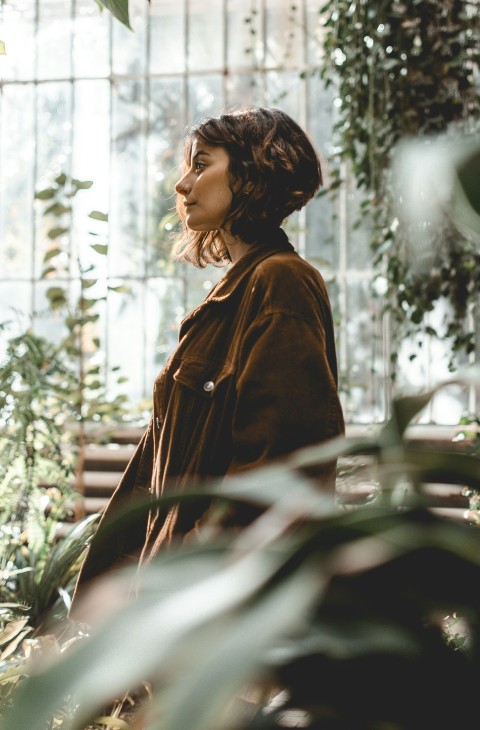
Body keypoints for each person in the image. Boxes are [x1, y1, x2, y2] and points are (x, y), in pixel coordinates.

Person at [73, 106, 345, 592]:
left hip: (211, 604)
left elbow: (278, 474)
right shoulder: (234, 291)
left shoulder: (281, 282)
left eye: (201, 164)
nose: (182, 185)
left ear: (251, 171)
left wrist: (187, 580)